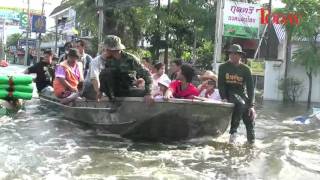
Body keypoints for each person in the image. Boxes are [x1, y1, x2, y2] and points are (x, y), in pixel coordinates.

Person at [218, 44, 256, 144]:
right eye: (231, 53)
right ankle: (233, 132)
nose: (233, 56)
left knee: (249, 116)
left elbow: (250, 88)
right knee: (239, 103)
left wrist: (251, 105)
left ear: (240, 55)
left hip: (241, 93)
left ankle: (251, 142)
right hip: (229, 92)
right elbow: (221, 84)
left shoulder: (246, 69)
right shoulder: (223, 67)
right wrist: (224, 97)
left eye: (236, 54)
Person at [98, 35, 153, 103]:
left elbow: (147, 74)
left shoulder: (130, 59)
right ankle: (113, 100)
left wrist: (148, 94)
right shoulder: (109, 60)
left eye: (106, 48)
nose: (105, 50)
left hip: (128, 88)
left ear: (112, 49)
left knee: (146, 95)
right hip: (114, 91)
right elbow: (105, 77)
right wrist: (100, 91)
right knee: (105, 72)